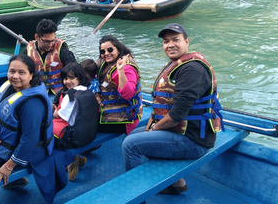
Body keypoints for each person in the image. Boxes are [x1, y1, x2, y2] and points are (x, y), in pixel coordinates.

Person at [122, 23, 222, 195]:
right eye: (166, 41)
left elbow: (177, 114)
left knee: (131, 145)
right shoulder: (180, 65)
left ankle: (138, 194)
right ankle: (177, 184)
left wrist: (154, 128)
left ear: (187, 41)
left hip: (194, 140)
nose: (170, 45)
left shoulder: (192, 69)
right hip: (181, 132)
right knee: (133, 135)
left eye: (175, 40)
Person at [0, 54, 72, 204]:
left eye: (22, 72)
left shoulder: (31, 104)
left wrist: (9, 166)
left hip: (26, 152)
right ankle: (13, 182)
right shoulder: (8, 87)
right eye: (12, 71)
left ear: (31, 75)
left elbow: (29, 140)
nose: (15, 76)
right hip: (6, 142)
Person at [52, 63, 99, 181]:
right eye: (65, 78)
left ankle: (69, 161)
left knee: (44, 129)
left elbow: (59, 115)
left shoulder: (70, 95)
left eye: (71, 78)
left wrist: (56, 109)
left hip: (76, 139)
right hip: (90, 135)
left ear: (79, 78)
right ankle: (76, 157)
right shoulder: (87, 91)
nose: (68, 81)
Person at [96, 35, 142, 135]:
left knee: (80, 124)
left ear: (118, 49)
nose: (106, 53)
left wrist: (120, 70)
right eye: (103, 51)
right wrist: (96, 95)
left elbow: (128, 95)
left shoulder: (127, 68)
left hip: (123, 119)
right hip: (107, 111)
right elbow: (94, 79)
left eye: (110, 50)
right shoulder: (105, 64)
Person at [23, 19, 76, 94]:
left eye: (53, 40)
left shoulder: (62, 50)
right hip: (36, 91)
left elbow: (74, 70)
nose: (51, 44)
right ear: (37, 37)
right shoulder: (28, 51)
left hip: (59, 92)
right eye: (46, 41)